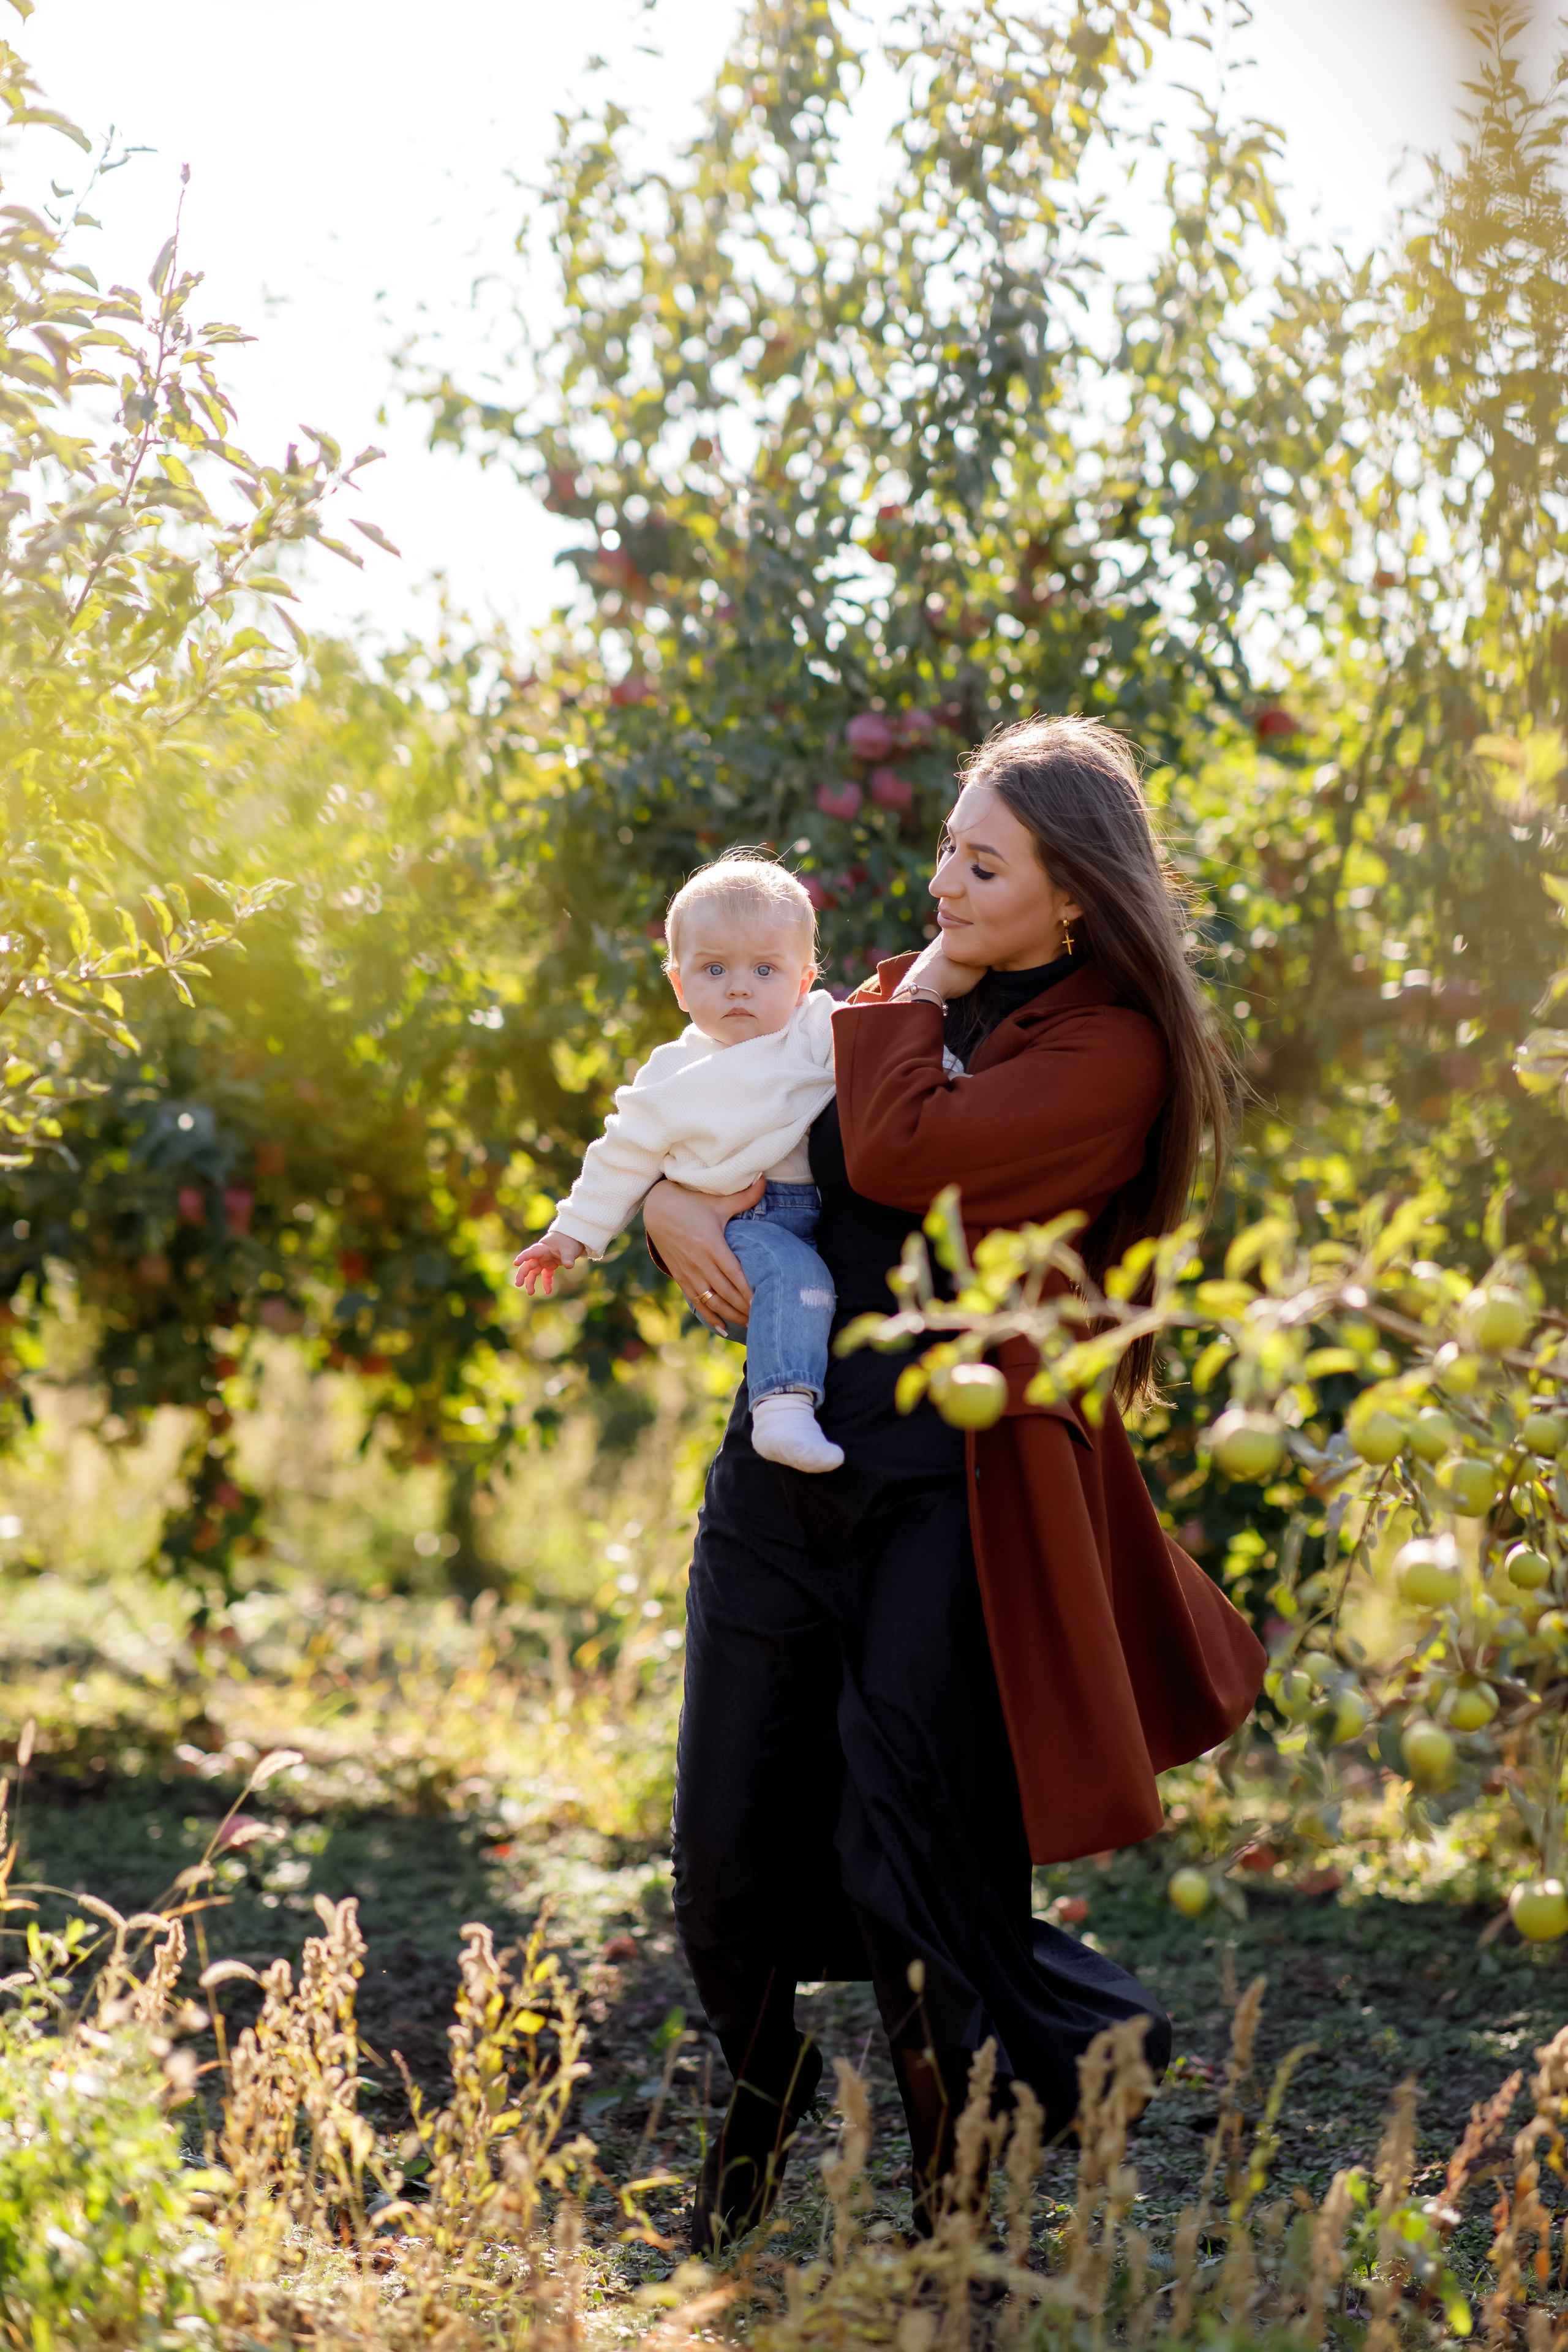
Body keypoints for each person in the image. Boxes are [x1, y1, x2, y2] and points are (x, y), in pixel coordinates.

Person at [643, 715, 1268, 2254]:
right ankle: (765, 2076)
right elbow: (736, 1110)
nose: (941, 883)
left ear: (1074, 899)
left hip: (947, 1492)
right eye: (944, 848)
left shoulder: (1101, 1045)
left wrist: (904, 1002)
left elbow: (897, 1143)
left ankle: (962, 2193)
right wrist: (661, 1193)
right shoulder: (912, 993)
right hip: (782, 1466)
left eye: (982, 864)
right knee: (722, 1859)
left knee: (905, 1859)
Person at [513, 853, 845, 1472]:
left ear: (803, 982)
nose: (740, 987)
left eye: (765, 969)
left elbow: (884, 1051)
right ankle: (781, 1410)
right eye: (714, 968)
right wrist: (570, 1234)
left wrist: (945, 1067)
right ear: (679, 984)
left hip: (811, 1211)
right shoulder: (672, 1073)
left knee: (816, 1291)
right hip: (744, 1227)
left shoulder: (814, 1030)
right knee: (801, 1280)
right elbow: (621, 1153)